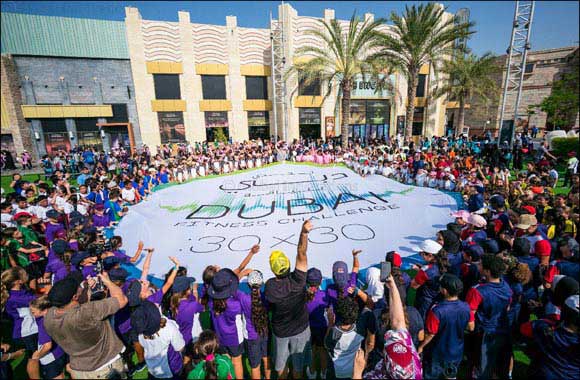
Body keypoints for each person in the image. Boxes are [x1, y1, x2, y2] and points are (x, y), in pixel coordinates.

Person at [44, 271, 128, 379]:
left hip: (80, 370)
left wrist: (87, 289)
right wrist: (107, 281)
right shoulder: (86, 313)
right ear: (74, 297)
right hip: (105, 367)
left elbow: (75, 308)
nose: (81, 287)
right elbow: (122, 300)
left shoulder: (49, 317)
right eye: (80, 287)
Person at [264, 220, 312, 379]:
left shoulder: (270, 287)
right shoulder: (298, 281)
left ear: (273, 270)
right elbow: (302, 253)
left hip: (281, 333)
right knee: (298, 369)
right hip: (301, 330)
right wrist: (304, 233)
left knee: (281, 369)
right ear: (288, 265)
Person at [352, 274, 423, 379]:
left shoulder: (377, 376)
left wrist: (357, 372)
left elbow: (370, 342)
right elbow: (399, 322)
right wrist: (393, 286)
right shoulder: (415, 370)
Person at [465, 254, 513, 379]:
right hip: (502, 329)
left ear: (487, 271)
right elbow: (507, 307)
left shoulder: (477, 291)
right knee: (500, 364)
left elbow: (470, 314)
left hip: (484, 333)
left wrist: (470, 329)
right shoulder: (506, 286)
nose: (478, 266)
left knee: (481, 366)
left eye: (480, 264)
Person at [418, 274, 471, 379]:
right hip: (456, 352)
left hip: (438, 354)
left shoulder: (437, 310)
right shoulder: (466, 306)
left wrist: (420, 347)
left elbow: (430, 334)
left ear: (445, 291)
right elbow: (471, 327)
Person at [207, 268, 246, 380]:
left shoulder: (211, 302)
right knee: (237, 362)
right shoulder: (235, 305)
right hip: (234, 338)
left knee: (226, 362)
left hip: (220, 338)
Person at [133, 300, 186, 379]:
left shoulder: (140, 332)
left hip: (153, 369)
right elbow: (180, 347)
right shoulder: (169, 327)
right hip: (171, 369)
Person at [410, 239, 447, 319]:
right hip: (437, 297)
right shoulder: (443, 262)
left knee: (420, 319)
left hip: (425, 300)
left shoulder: (426, 270)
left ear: (430, 255)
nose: (420, 255)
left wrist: (419, 272)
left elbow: (414, 285)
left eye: (421, 253)